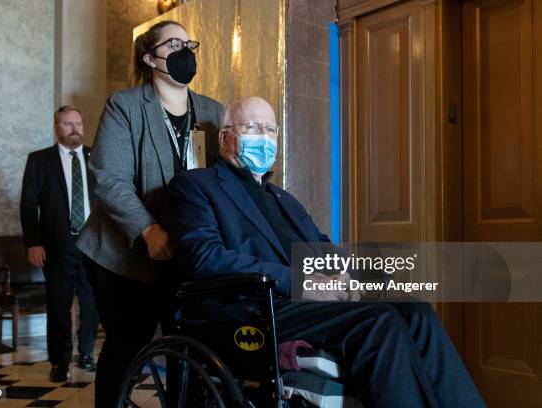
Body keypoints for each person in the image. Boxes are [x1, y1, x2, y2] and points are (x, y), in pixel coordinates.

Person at [164, 96, 486, 407]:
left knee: (417, 313)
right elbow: (205, 258)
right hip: (257, 305)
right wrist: (302, 282)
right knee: (378, 322)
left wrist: (355, 276)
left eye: (270, 129)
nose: (264, 137)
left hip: (307, 304)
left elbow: (322, 247)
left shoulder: (283, 199)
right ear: (225, 138)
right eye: (252, 127)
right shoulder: (195, 186)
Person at [76, 20, 223, 406]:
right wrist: (148, 230)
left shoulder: (211, 111)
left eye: (189, 43)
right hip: (123, 253)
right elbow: (110, 179)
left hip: (186, 252)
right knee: (128, 347)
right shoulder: (125, 105)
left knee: (188, 349)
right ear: (149, 57)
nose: (184, 51)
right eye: (173, 44)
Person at [20, 105, 99, 383]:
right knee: (58, 304)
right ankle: (60, 361)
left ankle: (87, 353)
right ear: (56, 128)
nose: (74, 128)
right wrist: (34, 243)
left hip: (93, 245)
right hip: (57, 245)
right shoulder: (40, 160)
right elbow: (29, 206)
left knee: (92, 302)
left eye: (78, 123)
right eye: (67, 124)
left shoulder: (95, 158)